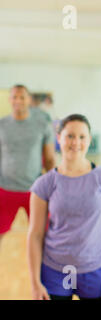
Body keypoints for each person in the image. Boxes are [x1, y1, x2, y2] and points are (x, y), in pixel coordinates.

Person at [27, 114, 101, 300]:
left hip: (95, 271)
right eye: (70, 136)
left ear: (89, 140)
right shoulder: (44, 184)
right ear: (59, 138)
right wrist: (34, 282)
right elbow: (35, 234)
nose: (75, 142)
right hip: (54, 271)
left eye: (82, 137)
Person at [0, 84, 55, 249]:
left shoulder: (42, 124)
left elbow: (50, 158)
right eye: (14, 97)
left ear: (29, 99)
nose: (18, 100)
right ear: (10, 99)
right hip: (5, 189)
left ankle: (44, 271)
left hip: (35, 190)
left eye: (22, 97)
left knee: (44, 235)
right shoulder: (2, 125)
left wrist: (54, 185)